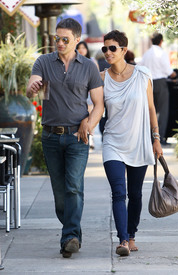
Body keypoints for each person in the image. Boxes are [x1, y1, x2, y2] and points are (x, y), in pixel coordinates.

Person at [26, 18, 104, 258]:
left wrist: (89, 124)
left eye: (64, 39)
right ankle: (73, 232)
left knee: (73, 186)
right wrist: (32, 89)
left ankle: (69, 236)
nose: (59, 43)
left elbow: (99, 104)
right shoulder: (44, 62)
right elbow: (31, 86)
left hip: (77, 137)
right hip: (50, 137)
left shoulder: (89, 67)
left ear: (77, 40)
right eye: (56, 39)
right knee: (60, 193)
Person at [100, 30, 163, 256]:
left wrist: (156, 139)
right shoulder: (101, 78)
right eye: (104, 48)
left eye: (112, 48)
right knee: (119, 192)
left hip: (138, 142)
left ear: (124, 50)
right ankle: (123, 240)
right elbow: (96, 108)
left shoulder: (142, 74)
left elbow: (151, 108)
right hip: (112, 143)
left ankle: (132, 234)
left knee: (135, 194)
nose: (107, 52)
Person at [140, 32, 177, 145]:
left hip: (148, 83)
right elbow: (168, 71)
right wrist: (174, 75)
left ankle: (151, 138)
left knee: (150, 110)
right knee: (162, 111)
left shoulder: (146, 54)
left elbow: (141, 67)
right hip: (161, 83)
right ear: (161, 41)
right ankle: (159, 138)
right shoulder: (161, 53)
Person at [76, 41, 99, 149]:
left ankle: (91, 139)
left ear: (87, 50)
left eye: (83, 48)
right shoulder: (73, 62)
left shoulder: (92, 61)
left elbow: (97, 78)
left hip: (90, 93)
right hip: (79, 94)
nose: (81, 50)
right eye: (79, 48)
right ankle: (85, 136)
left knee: (90, 116)